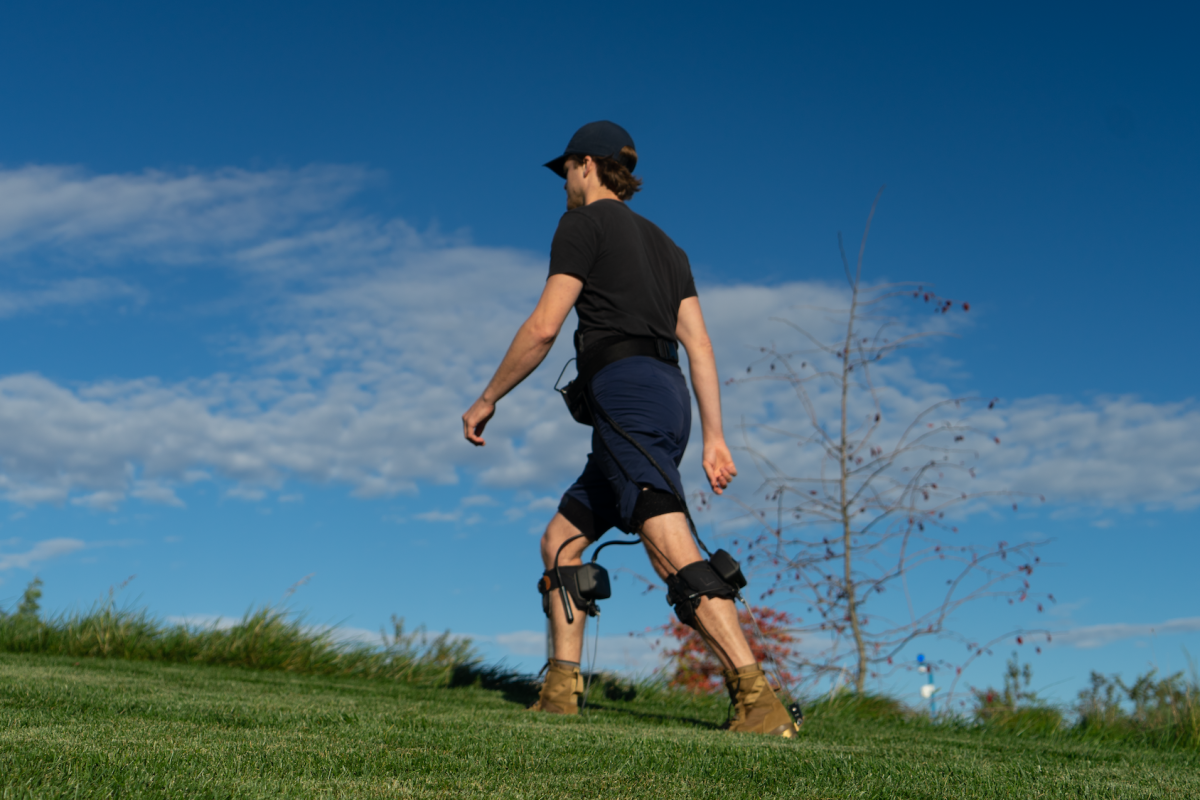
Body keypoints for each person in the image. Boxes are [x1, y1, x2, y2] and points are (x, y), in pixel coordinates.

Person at [461, 121, 796, 737]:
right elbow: (700, 345)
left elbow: (543, 328)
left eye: (565, 168)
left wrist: (487, 399)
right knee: (561, 539)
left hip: (627, 394)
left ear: (586, 165)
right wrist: (716, 437)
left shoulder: (582, 224)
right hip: (666, 397)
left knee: (664, 534)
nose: (563, 181)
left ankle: (758, 700)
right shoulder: (671, 248)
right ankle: (561, 691)